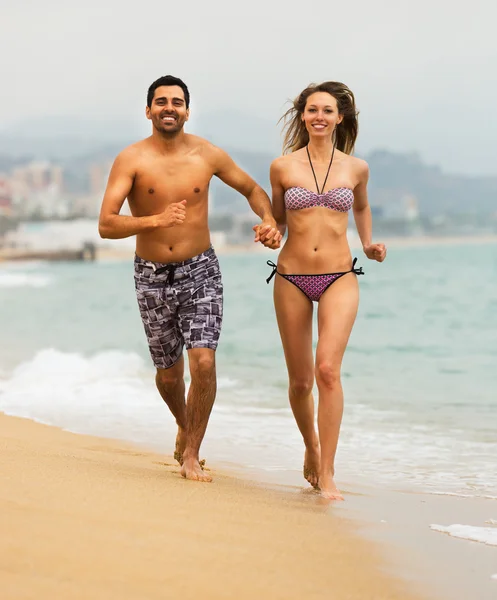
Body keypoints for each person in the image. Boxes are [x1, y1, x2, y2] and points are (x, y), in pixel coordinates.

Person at [98, 75, 281, 483]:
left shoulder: (207, 154)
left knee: (204, 360)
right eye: (161, 101)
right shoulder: (131, 160)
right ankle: (184, 423)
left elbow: (252, 188)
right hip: (150, 274)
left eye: (177, 102)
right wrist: (156, 219)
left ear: (186, 110)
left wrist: (268, 219)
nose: (169, 107)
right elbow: (106, 225)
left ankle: (192, 454)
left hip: (201, 268)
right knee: (168, 374)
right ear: (148, 111)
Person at [261, 81, 386, 500]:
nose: (319, 116)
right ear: (302, 115)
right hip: (291, 277)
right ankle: (311, 448)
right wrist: (268, 233)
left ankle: (329, 472)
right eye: (312, 109)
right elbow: (277, 221)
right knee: (300, 383)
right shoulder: (282, 167)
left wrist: (368, 244)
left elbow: (362, 206)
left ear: (339, 118)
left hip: (339, 276)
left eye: (327, 111)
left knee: (327, 370)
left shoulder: (356, 168)